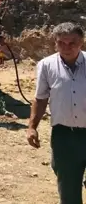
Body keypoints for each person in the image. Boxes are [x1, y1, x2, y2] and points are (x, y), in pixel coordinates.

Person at [27, 22, 86, 204]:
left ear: (82, 42)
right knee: (68, 188)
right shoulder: (46, 65)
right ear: (55, 43)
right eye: (61, 43)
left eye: (72, 43)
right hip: (64, 135)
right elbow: (41, 98)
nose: (66, 47)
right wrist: (32, 127)